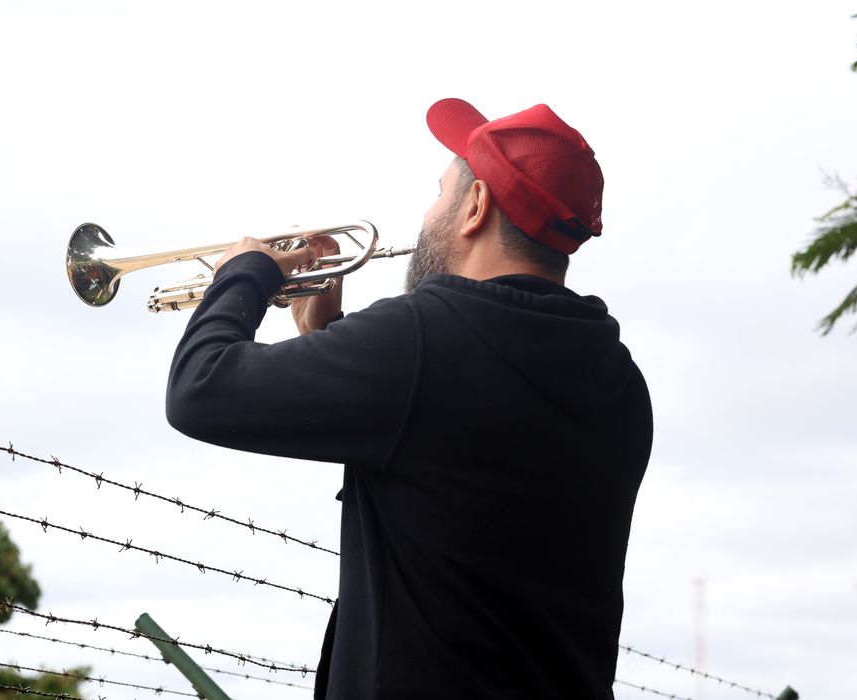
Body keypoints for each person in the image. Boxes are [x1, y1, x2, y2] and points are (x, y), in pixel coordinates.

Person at [165, 97, 653, 699]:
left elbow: (199, 389)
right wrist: (326, 337)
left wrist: (245, 273)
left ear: (475, 207)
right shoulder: (618, 378)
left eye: (440, 192)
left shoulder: (424, 338)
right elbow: (451, 473)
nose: (427, 215)